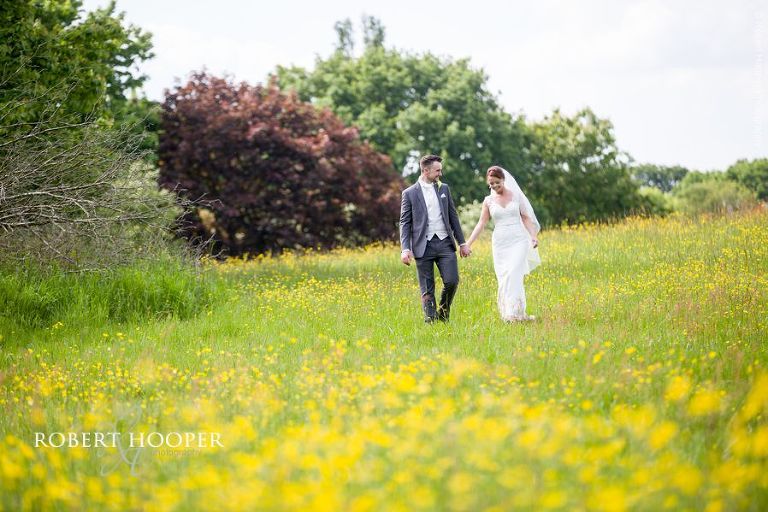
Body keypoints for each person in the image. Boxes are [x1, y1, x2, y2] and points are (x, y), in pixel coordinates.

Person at [400, 155, 471, 322]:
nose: (441, 173)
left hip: (445, 243)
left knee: (452, 281)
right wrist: (405, 248)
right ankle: (430, 321)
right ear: (426, 171)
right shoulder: (409, 194)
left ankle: (443, 314)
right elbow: (404, 223)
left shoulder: (444, 189)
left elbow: (453, 217)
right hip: (422, 245)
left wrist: (462, 243)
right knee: (427, 289)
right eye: (437, 170)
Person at [466, 166, 541, 322]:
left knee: (514, 272)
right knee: (504, 276)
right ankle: (514, 312)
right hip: (500, 243)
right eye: (491, 184)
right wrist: (468, 243)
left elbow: (526, 218)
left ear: (503, 180)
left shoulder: (516, 196)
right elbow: (481, 224)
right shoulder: (488, 201)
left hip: (519, 240)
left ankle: (513, 314)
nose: (494, 186)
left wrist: (533, 236)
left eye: (497, 183)